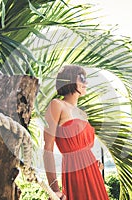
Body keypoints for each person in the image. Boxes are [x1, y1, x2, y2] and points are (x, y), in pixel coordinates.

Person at [43, 65, 109, 200]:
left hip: (93, 174)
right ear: (70, 80)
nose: (87, 83)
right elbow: (48, 148)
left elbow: (83, 148)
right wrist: (54, 188)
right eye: (82, 79)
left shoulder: (81, 113)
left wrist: (94, 163)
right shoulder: (57, 105)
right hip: (75, 173)